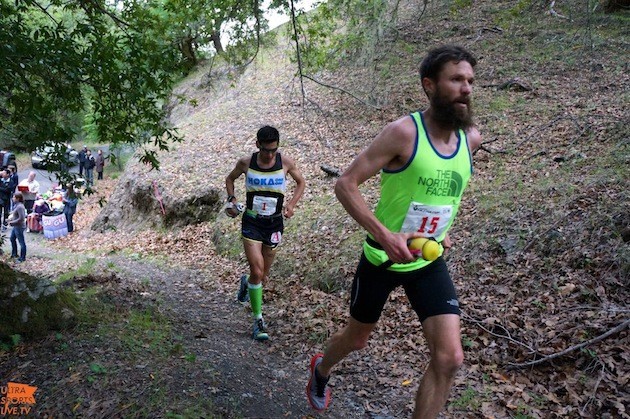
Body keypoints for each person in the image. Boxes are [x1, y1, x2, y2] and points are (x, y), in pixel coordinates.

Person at [306, 45, 482, 418]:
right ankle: (322, 368)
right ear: (429, 85)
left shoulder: (471, 140)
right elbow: (346, 184)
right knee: (357, 338)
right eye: (455, 79)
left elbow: (445, 188)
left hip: (428, 262)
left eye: (469, 80)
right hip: (381, 258)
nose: (466, 88)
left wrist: (443, 229)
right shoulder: (403, 133)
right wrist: (385, 235)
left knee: (449, 358)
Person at [225, 125, 306, 341]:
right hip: (251, 222)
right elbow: (230, 179)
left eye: (273, 150)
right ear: (257, 145)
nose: (270, 155)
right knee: (258, 271)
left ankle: (246, 281)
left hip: (274, 224)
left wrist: (291, 204)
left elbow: (301, 182)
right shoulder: (246, 163)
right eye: (266, 150)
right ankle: (258, 321)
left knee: (262, 275)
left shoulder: (285, 162)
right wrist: (231, 200)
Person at [9, 192, 27, 262]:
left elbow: (21, 218)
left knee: (21, 242)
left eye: (14, 197)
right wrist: (11, 219)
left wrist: (12, 222)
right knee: (12, 238)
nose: (13, 199)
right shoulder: (16, 205)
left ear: (18, 198)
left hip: (19, 226)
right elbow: (15, 214)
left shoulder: (20, 207)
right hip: (16, 226)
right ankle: (14, 253)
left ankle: (22, 258)